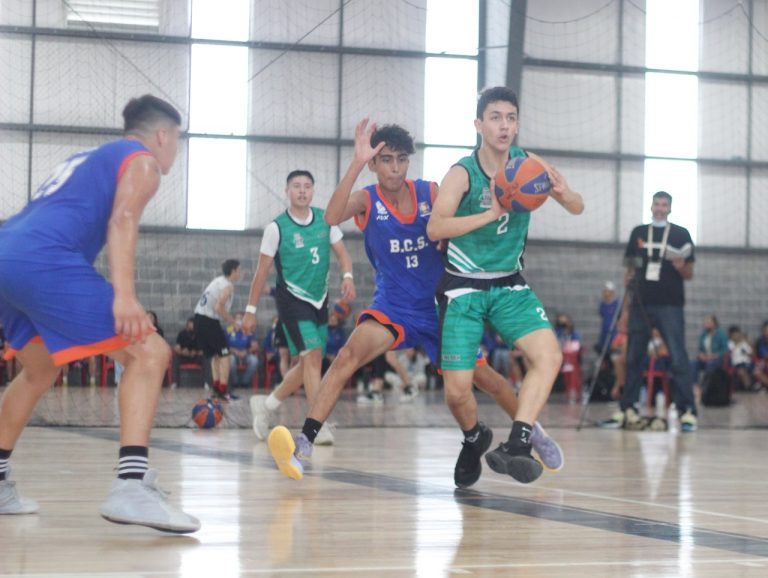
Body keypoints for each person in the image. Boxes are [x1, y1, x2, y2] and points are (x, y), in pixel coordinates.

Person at [267, 118, 565, 487]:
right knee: (346, 356)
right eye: (386, 159)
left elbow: (457, 223)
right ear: (375, 163)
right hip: (394, 307)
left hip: (444, 307)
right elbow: (329, 218)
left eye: (401, 160)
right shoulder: (366, 199)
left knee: (488, 380)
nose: (394, 168)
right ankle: (303, 444)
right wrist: (357, 161)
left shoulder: (430, 192)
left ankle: (532, 434)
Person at [0, 94, 199, 532]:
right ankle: (131, 485)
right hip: (42, 259)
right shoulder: (142, 161)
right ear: (162, 135)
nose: (174, 152)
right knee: (150, 353)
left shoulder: (88, 156)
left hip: (6, 252)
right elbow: (123, 220)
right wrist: (124, 297)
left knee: (37, 371)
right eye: (177, 141)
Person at [427, 87, 584, 484]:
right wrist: (490, 212)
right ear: (479, 124)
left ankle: (517, 442)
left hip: (509, 285)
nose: (504, 125)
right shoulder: (462, 173)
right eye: (495, 117)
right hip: (463, 287)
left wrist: (565, 195)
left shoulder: (528, 165)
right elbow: (435, 227)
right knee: (457, 392)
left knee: (549, 356)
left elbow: (579, 206)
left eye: (511, 118)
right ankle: (473, 438)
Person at [245, 170, 356, 446]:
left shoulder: (327, 219)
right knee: (315, 357)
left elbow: (343, 254)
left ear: (313, 191)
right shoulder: (277, 228)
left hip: (319, 299)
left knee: (307, 363)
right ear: (287, 191)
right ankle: (316, 425)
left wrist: (348, 277)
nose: (302, 191)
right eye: (296, 186)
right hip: (292, 299)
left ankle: (266, 405)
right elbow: (261, 272)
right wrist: (250, 309)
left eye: (307, 186)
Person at [600, 190, 697, 432]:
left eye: (664, 205)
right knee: (633, 356)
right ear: (651, 206)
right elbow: (630, 273)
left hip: (670, 305)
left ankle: (687, 412)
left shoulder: (680, 234)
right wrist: (624, 310)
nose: (660, 208)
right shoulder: (639, 233)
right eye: (657, 204)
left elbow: (689, 274)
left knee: (677, 357)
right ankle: (628, 408)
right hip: (641, 304)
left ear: (670, 208)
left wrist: (681, 265)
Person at [194, 259, 242, 401]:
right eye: (239, 270)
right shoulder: (227, 286)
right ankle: (223, 391)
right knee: (225, 355)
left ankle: (216, 389)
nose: (240, 273)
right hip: (208, 321)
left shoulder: (217, 280)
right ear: (233, 271)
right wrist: (234, 322)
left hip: (199, 319)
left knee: (216, 356)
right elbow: (219, 307)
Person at [690, 314, 728, 394]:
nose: (706, 323)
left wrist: (714, 356)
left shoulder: (721, 334)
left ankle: (705, 387)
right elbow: (700, 349)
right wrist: (701, 355)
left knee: (710, 365)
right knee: (693, 363)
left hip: (716, 359)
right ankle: (695, 386)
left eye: (708, 321)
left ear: (714, 323)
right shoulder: (704, 335)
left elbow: (725, 349)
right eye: (705, 322)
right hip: (705, 358)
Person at [227, 312, 259, 388]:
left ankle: (245, 382)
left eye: (241, 319)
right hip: (232, 354)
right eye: (237, 318)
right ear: (233, 320)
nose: (239, 321)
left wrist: (246, 351)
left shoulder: (247, 330)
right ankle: (235, 383)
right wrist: (234, 351)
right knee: (230, 360)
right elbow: (222, 345)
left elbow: (255, 346)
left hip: (245, 354)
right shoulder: (229, 329)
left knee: (254, 360)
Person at [171, 317, 204, 388]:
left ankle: (206, 382)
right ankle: (175, 382)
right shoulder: (182, 334)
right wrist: (182, 352)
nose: (193, 326)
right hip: (184, 357)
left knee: (205, 358)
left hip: (196, 357)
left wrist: (196, 352)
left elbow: (204, 351)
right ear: (187, 325)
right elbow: (176, 348)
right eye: (191, 324)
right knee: (176, 357)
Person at [727, 326, 753, 391]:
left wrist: (748, 343)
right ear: (731, 335)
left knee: (753, 370)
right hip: (736, 363)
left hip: (747, 362)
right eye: (734, 335)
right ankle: (748, 387)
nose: (736, 336)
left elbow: (750, 352)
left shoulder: (743, 343)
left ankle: (750, 386)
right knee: (741, 371)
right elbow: (731, 352)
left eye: (737, 334)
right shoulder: (729, 343)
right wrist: (738, 344)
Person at [597, 281, 620, 353]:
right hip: (604, 331)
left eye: (607, 291)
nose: (605, 293)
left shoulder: (617, 303)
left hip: (614, 332)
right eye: (604, 291)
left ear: (612, 292)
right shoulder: (602, 304)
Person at [752, 321, 768, 391]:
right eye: (766, 330)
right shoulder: (760, 341)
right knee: (757, 371)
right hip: (763, 363)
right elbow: (757, 355)